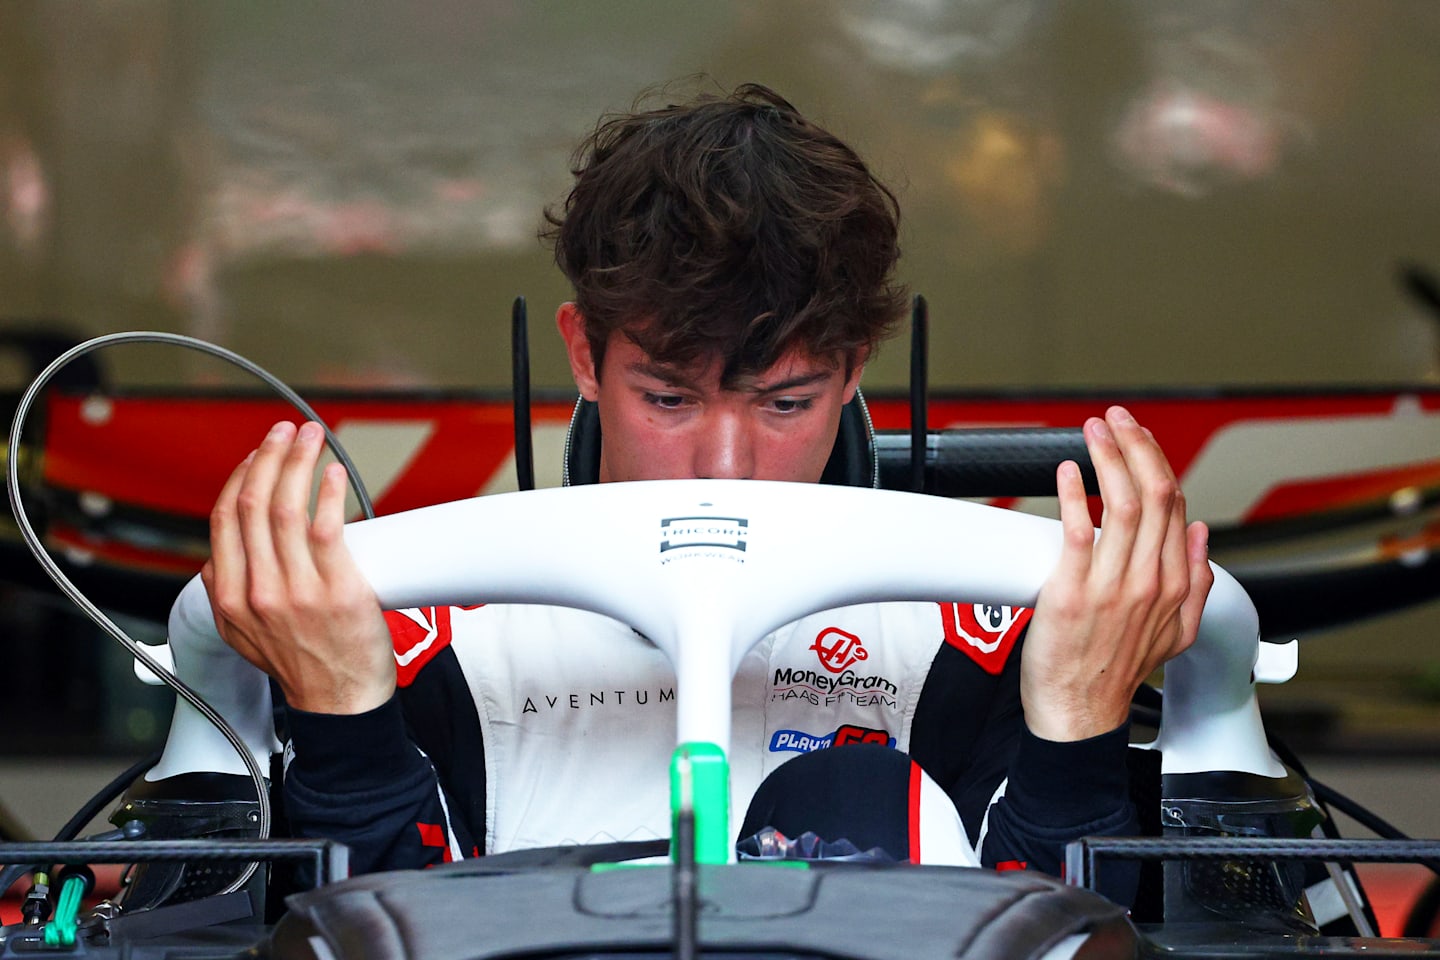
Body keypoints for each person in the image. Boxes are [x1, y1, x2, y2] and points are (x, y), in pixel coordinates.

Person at [201, 83, 1210, 893]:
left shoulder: (980, 640)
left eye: (783, 404)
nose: (726, 464)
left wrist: (1083, 707)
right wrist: (340, 711)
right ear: (584, 357)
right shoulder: (414, 639)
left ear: (852, 372)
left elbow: (1074, 929)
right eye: (671, 397)